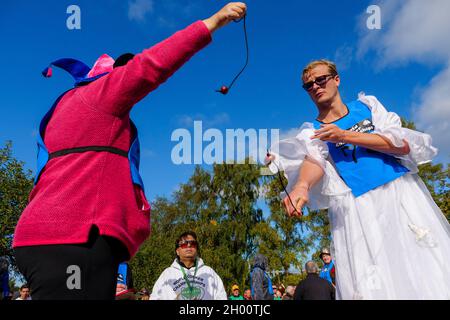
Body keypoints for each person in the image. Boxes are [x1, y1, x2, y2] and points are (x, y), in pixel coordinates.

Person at [12, 2, 247, 300]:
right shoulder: (100, 94)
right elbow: (150, 65)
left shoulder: (59, 110)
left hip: (38, 237)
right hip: (75, 238)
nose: (125, 78)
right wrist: (213, 22)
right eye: (120, 72)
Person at [266, 59, 450, 299]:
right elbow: (314, 160)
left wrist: (345, 135)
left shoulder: (367, 107)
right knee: (374, 280)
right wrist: (302, 186)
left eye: (320, 80)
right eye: (308, 85)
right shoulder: (313, 129)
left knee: (423, 264)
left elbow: (401, 145)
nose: (315, 87)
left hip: (400, 192)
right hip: (360, 207)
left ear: (336, 79)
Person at [150, 231, 227, 300]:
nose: (189, 245)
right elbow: (155, 297)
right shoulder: (167, 274)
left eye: (193, 243)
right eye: (184, 244)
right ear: (177, 251)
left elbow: (221, 296)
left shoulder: (209, 272)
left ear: (196, 249)